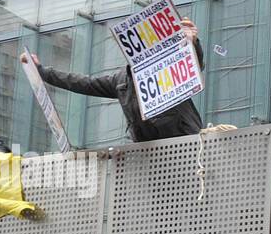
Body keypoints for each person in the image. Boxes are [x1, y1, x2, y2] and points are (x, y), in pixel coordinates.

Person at [27, 17, 206, 142]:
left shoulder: (167, 68)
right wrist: (42, 72)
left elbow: (192, 64)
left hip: (185, 142)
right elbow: (82, 82)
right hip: (149, 151)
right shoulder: (121, 81)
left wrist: (191, 42)